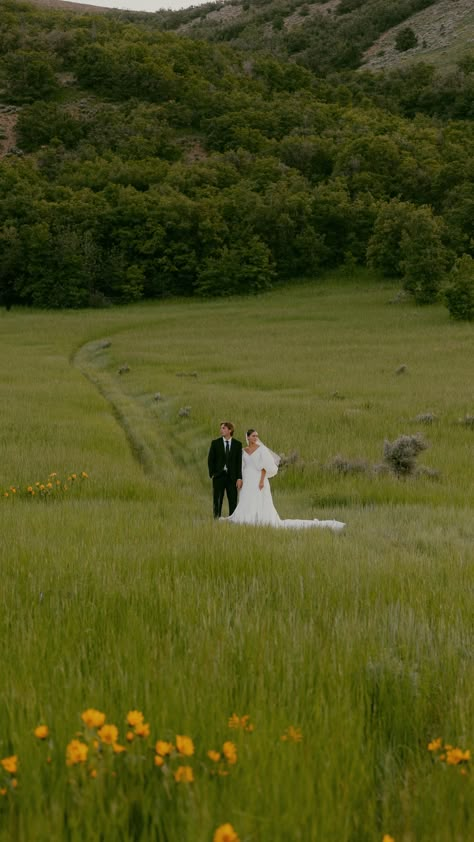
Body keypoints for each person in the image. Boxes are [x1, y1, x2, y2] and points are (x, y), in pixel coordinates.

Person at [223, 429, 345, 531]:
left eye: (257, 436)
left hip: (258, 477)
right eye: (253, 436)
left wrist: (261, 481)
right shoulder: (243, 451)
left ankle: (259, 519)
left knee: (259, 498)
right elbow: (240, 466)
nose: (256, 438)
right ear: (247, 437)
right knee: (246, 498)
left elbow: (265, 467)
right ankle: (245, 518)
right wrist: (240, 479)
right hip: (247, 477)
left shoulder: (261, 449)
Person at [208, 421, 243, 519]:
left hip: (232, 477)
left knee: (233, 500)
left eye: (223, 428)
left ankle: (233, 519)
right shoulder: (215, 443)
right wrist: (212, 474)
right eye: (221, 428)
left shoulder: (237, 444)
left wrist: (239, 478)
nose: (221, 430)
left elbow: (239, 462)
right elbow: (211, 460)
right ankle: (216, 519)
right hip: (218, 476)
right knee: (217, 499)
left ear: (230, 430)